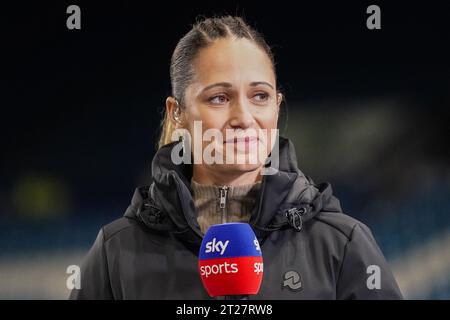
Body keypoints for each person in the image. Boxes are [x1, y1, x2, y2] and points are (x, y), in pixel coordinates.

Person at [69, 16, 403, 299]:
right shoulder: (116, 252)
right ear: (177, 113)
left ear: (277, 105)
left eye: (260, 96)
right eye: (218, 98)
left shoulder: (341, 245)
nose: (243, 116)